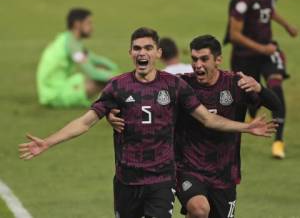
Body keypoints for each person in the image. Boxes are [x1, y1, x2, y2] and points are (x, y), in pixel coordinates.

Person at [19, 28, 276, 218]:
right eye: (137, 48)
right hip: (126, 179)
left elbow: (207, 118)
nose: (142, 53)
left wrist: (247, 125)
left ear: (158, 53)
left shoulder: (175, 86)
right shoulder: (118, 87)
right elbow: (85, 122)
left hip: (162, 179)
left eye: (148, 48)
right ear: (130, 53)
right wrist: (48, 142)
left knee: (196, 210)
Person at [109, 35, 280, 218]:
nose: (198, 64)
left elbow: (277, 105)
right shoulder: (182, 85)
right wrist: (112, 112)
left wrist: (259, 88)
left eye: (204, 59)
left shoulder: (235, 84)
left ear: (218, 60)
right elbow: (143, 96)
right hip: (188, 168)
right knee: (199, 209)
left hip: (225, 173)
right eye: (194, 59)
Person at [224, 0, 298, 159]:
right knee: (251, 95)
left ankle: (278, 142)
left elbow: (268, 10)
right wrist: (261, 48)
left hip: (268, 52)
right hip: (244, 56)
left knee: (276, 85)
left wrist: (287, 25)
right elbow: (235, 35)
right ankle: (251, 110)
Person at [37, 8, 120, 107]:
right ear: (77, 24)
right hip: (54, 93)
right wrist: (117, 78)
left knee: (104, 71)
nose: (92, 27)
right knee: (102, 81)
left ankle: (111, 103)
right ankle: (110, 106)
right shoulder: (72, 45)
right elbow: (92, 73)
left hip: (59, 84)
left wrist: (115, 69)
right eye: (88, 23)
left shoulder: (68, 39)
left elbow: (95, 59)